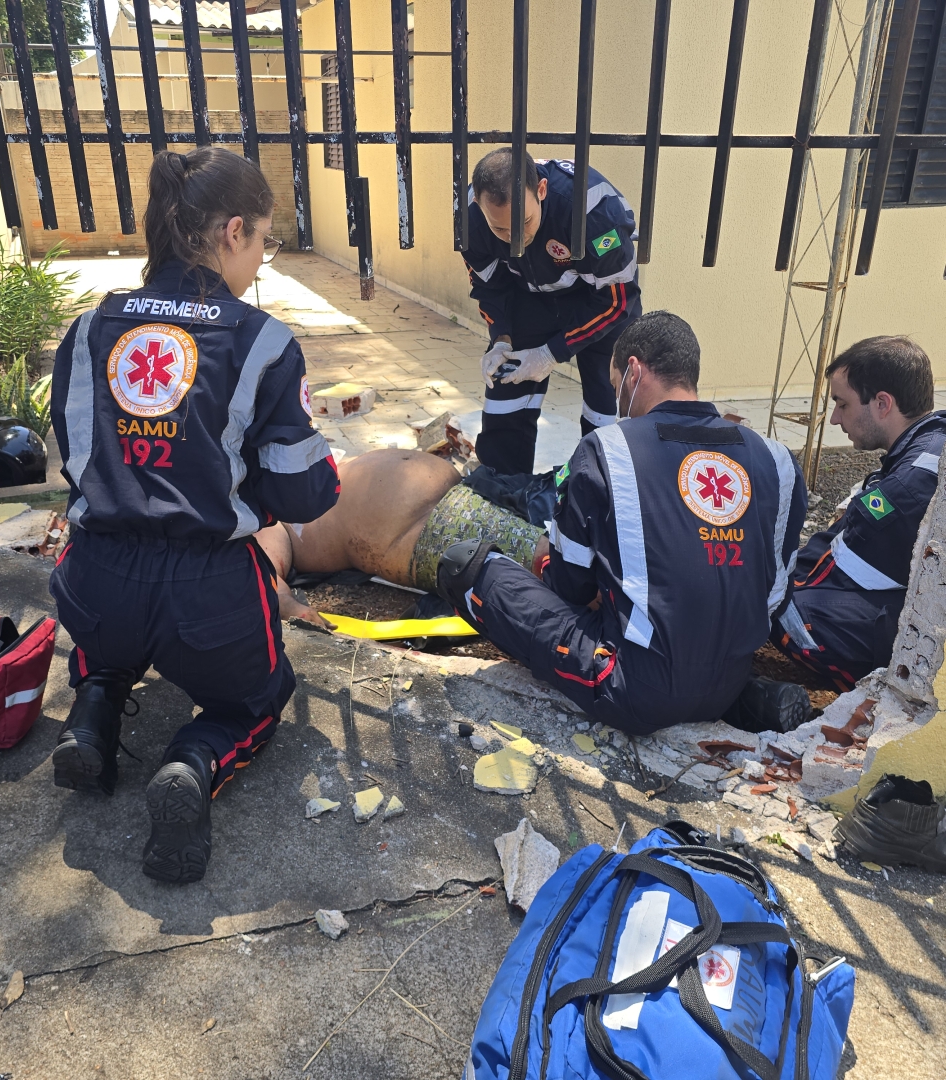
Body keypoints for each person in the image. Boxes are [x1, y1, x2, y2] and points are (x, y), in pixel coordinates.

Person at [49, 148, 339, 884]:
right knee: (259, 699)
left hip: (96, 582)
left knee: (108, 646)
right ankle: (193, 759)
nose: (262, 259)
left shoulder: (87, 329)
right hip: (209, 600)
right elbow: (304, 496)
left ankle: (93, 712)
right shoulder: (262, 341)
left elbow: (76, 462)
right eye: (265, 241)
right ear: (234, 231)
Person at [435, 312, 810, 735]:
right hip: (728, 678)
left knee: (465, 566)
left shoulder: (607, 450)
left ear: (633, 370)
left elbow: (569, 587)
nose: (617, 402)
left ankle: (688, 693)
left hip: (634, 689)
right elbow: (774, 595)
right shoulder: (777, 460)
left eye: (616, 388)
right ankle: (748, 699)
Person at [772, 337, 946, 690]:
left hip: (927, 631)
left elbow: (828, 569)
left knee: (780, 609)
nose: (835, 418)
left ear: (882, 403)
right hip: (921, 594)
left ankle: (873, 687)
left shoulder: (905, 489)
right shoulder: (933, 440)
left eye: (842, 404)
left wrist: (761, 586)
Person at [461, 149, 641, 475]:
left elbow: (617, 301)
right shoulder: (469, 218)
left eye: (524, 223)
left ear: (541, 190)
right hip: (528, 293)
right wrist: (501, 338)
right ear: (479, 205)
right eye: (500, 230)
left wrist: (550, 353)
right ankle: (504, 490)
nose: (515, 241)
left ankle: (601, 485)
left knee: (606, 404)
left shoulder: (596, 214)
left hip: (597, 297)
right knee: (505, 393)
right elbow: (489, 286)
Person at [254, 448, 549, 625]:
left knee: (559, 537)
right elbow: (263, 573)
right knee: (550, 561)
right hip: (425, 529)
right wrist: (294, 609)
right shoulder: (267, 521)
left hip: (462, 495)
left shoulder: (294, 479)